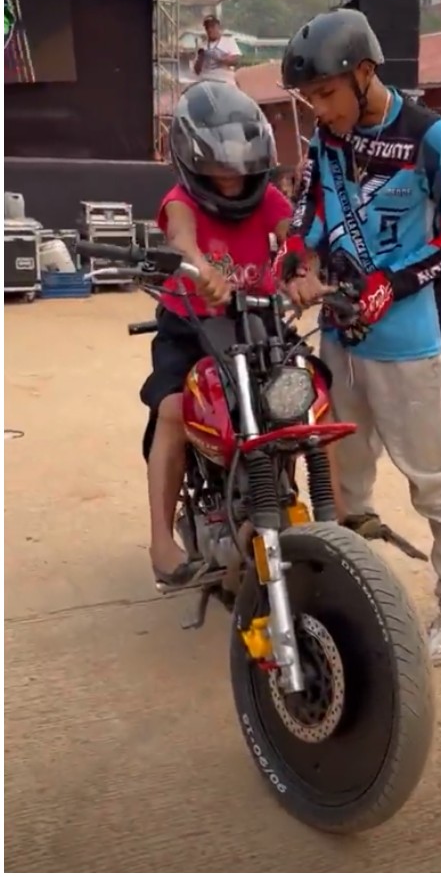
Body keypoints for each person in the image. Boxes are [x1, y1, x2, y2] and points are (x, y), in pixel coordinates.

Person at [275, 8, 441, 665]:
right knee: (342, 482)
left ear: (364, 72)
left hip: (407, 345)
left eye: (327, 93)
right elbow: (306, 221)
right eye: (309, 98)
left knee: (434, 482)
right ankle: (350, 599)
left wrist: (393, 283)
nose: (318, 108)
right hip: (339, 342)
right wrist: (294, 266)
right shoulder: (324, 143)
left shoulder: (433, 135)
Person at [142, 82, 293, 587]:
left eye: (241, 165)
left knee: (309, 402)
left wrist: (307, 266)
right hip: (190, 327)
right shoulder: (179, 200)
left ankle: (333, 520)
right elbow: (182, 237)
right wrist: (199, 267)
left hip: (258, 321)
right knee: (172, 410)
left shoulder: (268, 197)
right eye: (219, 167)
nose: (231, 178)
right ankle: (161, 539)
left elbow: (295, 235)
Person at [193, 15, 242, 85]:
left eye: (212, 26)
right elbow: (197, 71)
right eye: (207, 27)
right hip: (206, 81)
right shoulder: (202, 46)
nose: (210, 30)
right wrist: (201, 58)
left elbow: (237, 61)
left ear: (218, 27)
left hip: (224, 80)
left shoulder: (228, 41)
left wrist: (221, 59)